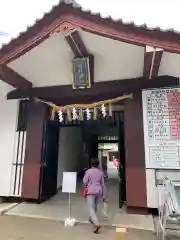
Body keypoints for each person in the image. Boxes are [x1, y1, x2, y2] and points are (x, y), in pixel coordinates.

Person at [83, 158, 107, 234]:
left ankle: (96, 224)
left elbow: (84, 181)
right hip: (98, 192)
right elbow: (103, 185)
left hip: (90, 192)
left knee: (91, 208)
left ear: (91, 164)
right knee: (95, 208)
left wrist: (87, 184)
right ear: (98, 164)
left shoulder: (88, 171)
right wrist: (104, 195)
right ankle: (91, 220)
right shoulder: (100, 172)